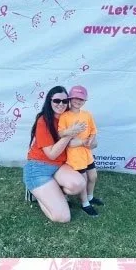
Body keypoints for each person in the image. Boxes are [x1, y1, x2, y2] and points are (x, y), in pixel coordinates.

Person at [23, 86, 87, 224]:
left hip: (59, 166)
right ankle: (36, 193)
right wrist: (70, 133)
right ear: (49, 101)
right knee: (63, 217)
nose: (61, 104)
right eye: (57, 100)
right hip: (38, 168)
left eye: (65, 101)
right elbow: (51, 154)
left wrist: (89, 139)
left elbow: (84, 134)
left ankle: (52, 190)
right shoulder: (43, 120)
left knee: (78, 184)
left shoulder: (70, 117)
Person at [58, 85, 101, 216]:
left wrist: (91, 140)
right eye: (75, 98)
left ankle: (90, 197)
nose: (78, 101)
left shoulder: (87, 115)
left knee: (93, 176)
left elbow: (93, 131)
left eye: (81, 99)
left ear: (85, 101)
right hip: (75, 156)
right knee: (83, 180)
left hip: (87, 153)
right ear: (70, 99)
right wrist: (72, 132)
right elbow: (61, 133)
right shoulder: (65, 116)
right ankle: (85, 204)